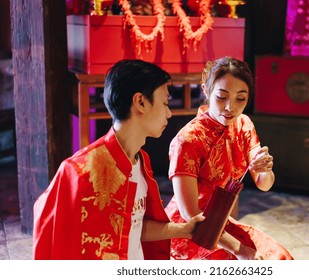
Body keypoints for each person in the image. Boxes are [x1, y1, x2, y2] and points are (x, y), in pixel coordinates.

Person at [33, 59, 204, 260]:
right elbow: (55, 242)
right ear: (140, 102)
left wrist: (184, 229)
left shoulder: (141, 161)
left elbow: (132, 226)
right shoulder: (79, 171)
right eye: (165, 103)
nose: (168, 113)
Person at [165, 56, 294, 260]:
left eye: (240, 99)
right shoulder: (187, 140)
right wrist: (239, 249)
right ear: (206, 91)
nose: (230, 107)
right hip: (191, 230)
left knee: (280, 258)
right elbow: (191, 213)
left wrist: (265, 169)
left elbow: (264, 184)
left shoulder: (243, 125)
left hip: (222, 223)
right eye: (222, 97)